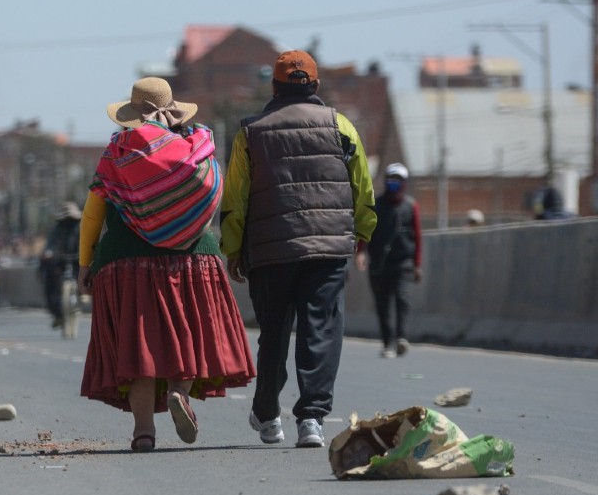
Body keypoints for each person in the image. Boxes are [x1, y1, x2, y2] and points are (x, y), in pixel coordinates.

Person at [79, 76, 256, 452]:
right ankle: (178, 391)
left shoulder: (117, 152)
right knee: (187, 335)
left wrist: (84, 263)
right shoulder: (198, 147)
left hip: (127, 260)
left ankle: (143, 431)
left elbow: (93, 214)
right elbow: (218, 198)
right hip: (193, 259)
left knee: (139, 348)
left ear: (130, 115)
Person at [221, 50, 377, 448]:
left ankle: (268, 416)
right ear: (316, 85)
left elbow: (235, 199)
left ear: (274, 88)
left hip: (270, 250)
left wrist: (233, 248)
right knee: (320, 330)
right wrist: (363, 231)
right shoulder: (341, 126)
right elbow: (362, 187)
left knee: (273, 333)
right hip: (328, 247)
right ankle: (311, 419)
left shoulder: (250, 133)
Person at [356, 163, 422, 359]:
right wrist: (360, 252)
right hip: (379, 264)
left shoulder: (411, 206)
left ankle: (401, 338)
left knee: (402, 299)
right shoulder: (375, 205)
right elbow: (365, 230)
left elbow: (418, 237)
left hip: (403, 264)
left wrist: (417, 264)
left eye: (398, 180)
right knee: (383, 305)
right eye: (392, 179)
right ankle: (388, 343)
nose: (395, 184)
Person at [40, 202, 82, 329]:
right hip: (60, 260)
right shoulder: (57, 228)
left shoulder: (81, 227)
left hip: (77, 260)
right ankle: (57, 313)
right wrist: (48, 253)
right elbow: (50, 244)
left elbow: (87, 243)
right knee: (49, 274)